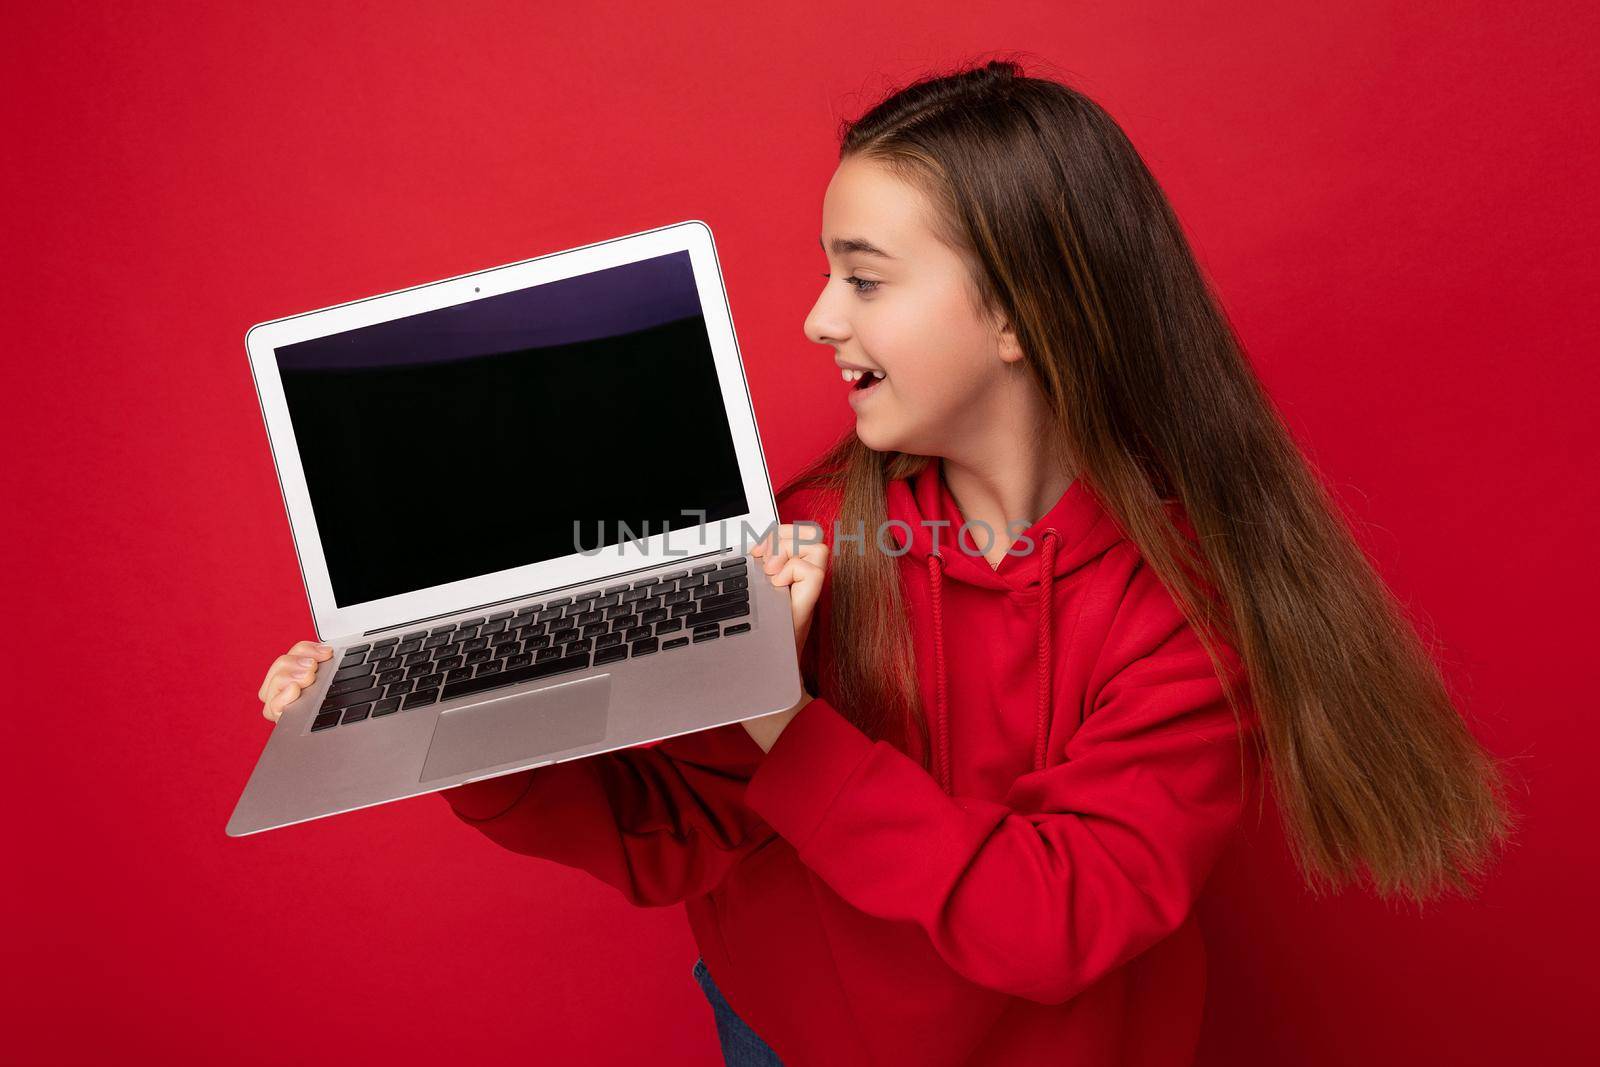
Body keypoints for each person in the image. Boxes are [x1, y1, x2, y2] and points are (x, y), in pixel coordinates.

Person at [254, 58, 1517, 1066]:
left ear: (1023, 312)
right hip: (781, 1035)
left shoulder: (1177, 610)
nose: (816, 316)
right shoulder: (804, 542)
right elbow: (662, 835)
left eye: (863, 276)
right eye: (825, 272)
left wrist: (781, 722)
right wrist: (454, 721)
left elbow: (1060, 914)